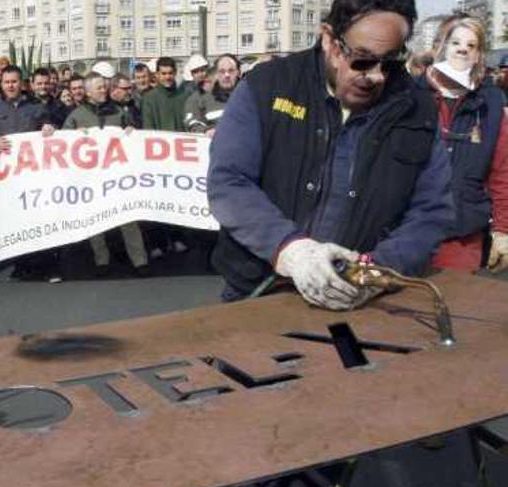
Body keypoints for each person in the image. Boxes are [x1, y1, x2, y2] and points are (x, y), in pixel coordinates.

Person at [207, 0, 453, 311]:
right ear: (329, 40)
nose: (376, 76)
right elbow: (228, 182)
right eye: (362, 61)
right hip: (259, 291)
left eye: (391, 62)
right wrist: (292, 252)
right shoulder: (267, 87)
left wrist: (375, 272)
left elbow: (431, 212)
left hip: (363, 302)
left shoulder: (418, 109)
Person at [416, 16, 508, 273]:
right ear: (442, 46)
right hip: (406, 229)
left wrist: (503, 230)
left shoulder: (490, 101)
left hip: (462, 236)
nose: (462, 49)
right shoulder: (411, 95)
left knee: (456, 307)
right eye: (455, 42)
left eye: (472, 45)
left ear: (479, 55)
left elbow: (502, 170)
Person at [63, 74, 151, 277]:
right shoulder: (76, 116)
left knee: (128, 218)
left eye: (104, 87)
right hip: (90, 178)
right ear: (87, 92)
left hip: (117, 176)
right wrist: (72, 137)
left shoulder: (118, 112)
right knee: (95, 220)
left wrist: (131, 131)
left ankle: (140, 261)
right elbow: (63, 144)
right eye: (99, 88)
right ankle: (101, 261)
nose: (104, 90)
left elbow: (135, 136)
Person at [0, 64, 57, 281]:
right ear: (0, 84)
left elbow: (49, 128)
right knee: (15, 220)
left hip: (34, 175)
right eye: (6, 82)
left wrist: (50, 128)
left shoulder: (36, 107)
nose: (11, 86)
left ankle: (43, 266)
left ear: (22, 84)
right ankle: (21, 265)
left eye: (14, 81)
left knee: (37, 219)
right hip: (8, 178)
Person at [142, 56, 190, 257]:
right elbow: (148, 128)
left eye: (170, 73)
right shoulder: (150, 98)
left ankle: (178, 238)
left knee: (180, 200)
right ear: (157, 75)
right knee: (160, 201)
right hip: (160, 158)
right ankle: (159, 243)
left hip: (181, 157)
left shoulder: (184, 95)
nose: (167, 77)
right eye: (163, 74)